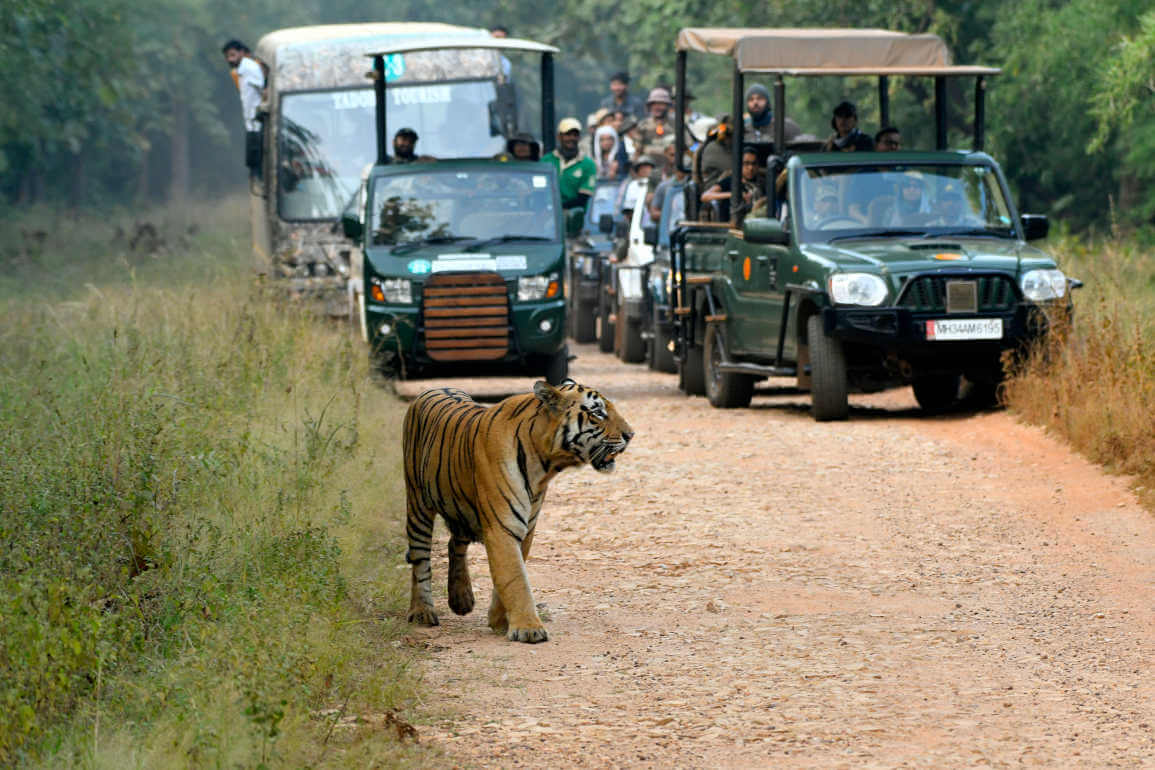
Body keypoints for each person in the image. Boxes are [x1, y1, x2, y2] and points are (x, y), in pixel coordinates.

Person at [222, 40, 265, 171]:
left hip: (257, 123)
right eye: (227, 57)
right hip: (251, 123)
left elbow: (263, 90)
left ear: (241, 53)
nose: (230, 59)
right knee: (253, 163)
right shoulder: (240, 71)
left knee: (256, 164)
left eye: (232, 55)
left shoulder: (250, 68)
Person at [543, 118, 597, 210]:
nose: (572, 138)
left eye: (575, 135)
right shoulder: (546, 160)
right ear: (559, 137)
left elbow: (583, 198)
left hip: (575, 214)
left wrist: (560, 209)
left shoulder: (588, 164)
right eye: (568, 134)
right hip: (547, 211)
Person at [701, 145, 763, 223]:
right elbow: (705, 196)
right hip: (732, 223)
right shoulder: (730, 181)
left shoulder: (761, 184)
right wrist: (734, 194)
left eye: (754, 164)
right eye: (746, 163)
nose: (750, 168)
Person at [635, 87, 676, 160]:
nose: (657, 107)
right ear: (649, 106)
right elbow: (637, 149)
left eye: (661, 104)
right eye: (654, 104)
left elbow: (693, 146)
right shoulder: (643, 125)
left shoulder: (676, 125)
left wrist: (681, 151)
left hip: (672, 163)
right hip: (648, 163)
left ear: (667, 106)